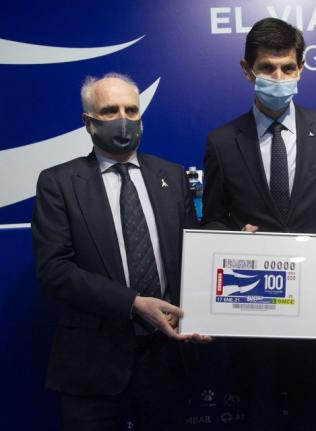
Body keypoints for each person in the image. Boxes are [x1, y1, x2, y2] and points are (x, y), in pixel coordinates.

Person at [201, 17, 316, 430]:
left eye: (288, 67)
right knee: (260, 415)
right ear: (246, 69)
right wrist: (234, 239)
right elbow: (212, 218)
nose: (278, 76)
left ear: (301, 67)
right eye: (267, 68)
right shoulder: (222, 141)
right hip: (253, 310)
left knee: (311, 414)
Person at [32, 73, 206, 430]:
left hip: (167, 359)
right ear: (89, 123)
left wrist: (237, 244)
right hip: (93, 365)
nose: (123, 120)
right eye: (110, 111)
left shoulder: (171, 176)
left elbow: (195, 253)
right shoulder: (59, 183)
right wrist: (132, 303)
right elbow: (55, 271)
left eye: (131, 109)